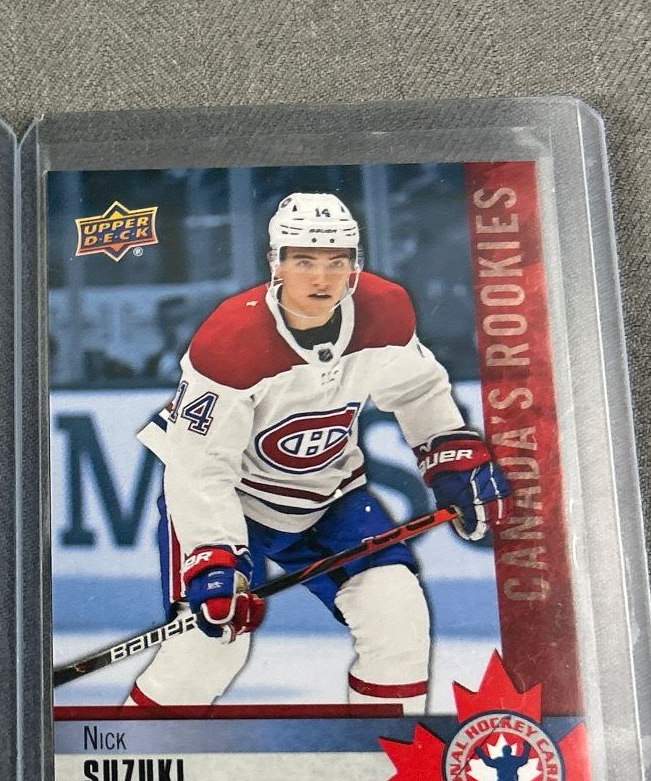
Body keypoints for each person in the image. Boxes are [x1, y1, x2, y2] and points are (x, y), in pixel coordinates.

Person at [131, 193, 511, 713]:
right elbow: (199, 467)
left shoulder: (384, 311)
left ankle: (382, 755)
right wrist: (215, 556)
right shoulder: (232, 340)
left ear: (355, 265)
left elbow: (416, 389)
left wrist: (447, 449)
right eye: (304, 261)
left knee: (397, 617)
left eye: (337, 262)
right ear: (275, 263)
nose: (321, 278)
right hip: (232, 502)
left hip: (330, 495)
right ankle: (136, 746)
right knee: (209, 650)